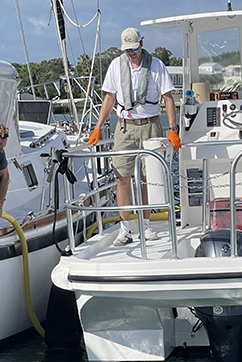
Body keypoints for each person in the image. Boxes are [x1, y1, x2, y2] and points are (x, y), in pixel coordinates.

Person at [87, 27, 181, 246]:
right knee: (122, 177)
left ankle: (146, 226)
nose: (131, 53)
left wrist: (173, 129)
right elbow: (110, 98)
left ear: (142, 43)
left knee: (148, 178)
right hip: (124, 128)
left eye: (134, 48)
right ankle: (125, 229)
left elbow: (168, 98)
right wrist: (98, 127)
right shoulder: (116, 66)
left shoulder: (156, 65)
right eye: (127, 50)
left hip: (151, 126)